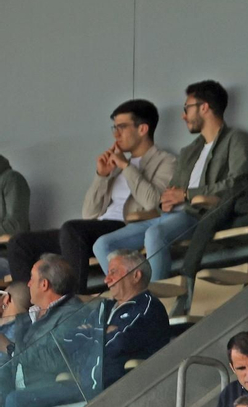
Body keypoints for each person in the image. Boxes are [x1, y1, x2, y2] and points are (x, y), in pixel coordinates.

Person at [90, 80, 248, 284]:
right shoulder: (190, 150)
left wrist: (187, 195)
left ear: (204, 107)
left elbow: (239, 184)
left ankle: (156, 303)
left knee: (154, 234)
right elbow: (172, 189)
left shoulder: (237, 139)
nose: (183, 115)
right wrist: (166, 201)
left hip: (199, 214)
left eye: (187, 108)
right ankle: (130, 296)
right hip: (167, 216)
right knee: (103, 244)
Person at [4, 99, 175, 286]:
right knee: (19, 242)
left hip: (127, 227)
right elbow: (90, 213)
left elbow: (153, 202)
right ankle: (28, 310)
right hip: (95, 229)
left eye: (122, 127)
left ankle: (73, 300)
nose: (116, 134)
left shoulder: (165, 161)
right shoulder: (115, 167)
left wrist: (127, 166)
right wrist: (102, 175)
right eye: (114, 128)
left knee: (72, 230)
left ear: (143, 129)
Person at [0, 255, 85, 407]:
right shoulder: (32, 314)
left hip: (52, 387)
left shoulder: (72, 313)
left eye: (32, 278)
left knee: (14, 400)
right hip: (20, 388)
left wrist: (12, 349)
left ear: (44, 284)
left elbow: (55, 359)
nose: (29, 284)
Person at [91, 249, 172, 388]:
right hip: (88, 385)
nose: (106, 279)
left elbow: (121, 342)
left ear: (136, 276)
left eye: (113, 272)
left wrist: (92, 334)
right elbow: (73, 339)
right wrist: (105, 331)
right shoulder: (104, 307)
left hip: (121, 389)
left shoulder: (149, 307)